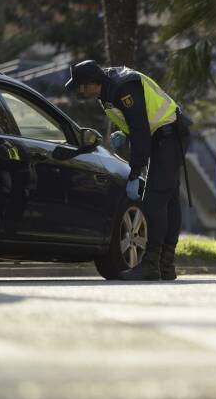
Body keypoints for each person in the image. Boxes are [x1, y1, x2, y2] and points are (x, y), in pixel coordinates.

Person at [65, 60, 190, 280]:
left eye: (81, 86)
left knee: (154, 200)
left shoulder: (122, 88)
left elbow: (141, 128)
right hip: (165, 136)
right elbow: (136, 123)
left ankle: (152, 264)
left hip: (169, 136)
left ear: (91, 82)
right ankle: (165, 265)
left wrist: (134, 172)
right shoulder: (108, 89)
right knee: (168, 198)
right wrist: (126, 134)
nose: (80, 91)